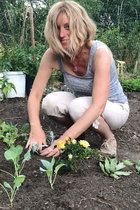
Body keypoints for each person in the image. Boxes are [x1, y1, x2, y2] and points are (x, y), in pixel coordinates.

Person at [25, 0, 129, 157]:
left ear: (80, 26)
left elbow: (98, 105)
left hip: (114, 109)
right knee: (50, 102)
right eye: (57, 28)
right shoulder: (53, 55)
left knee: (77, 106)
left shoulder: (100, 53)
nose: (61, 34)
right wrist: (35, 128)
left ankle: (109, 138)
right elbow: (35, 96)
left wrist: (63, 140)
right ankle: (79, 134)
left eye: (67, 27)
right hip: (82, 105)